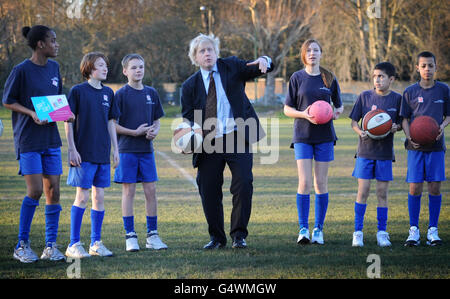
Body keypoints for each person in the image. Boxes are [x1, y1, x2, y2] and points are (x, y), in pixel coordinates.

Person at [181, 33, 273, 249]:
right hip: (207, 140)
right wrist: (189, 137)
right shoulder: (189, 86)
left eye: (210, 49)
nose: (207, 54)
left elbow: (258, 67)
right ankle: (217, 238)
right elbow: (187, 116)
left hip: (237, 135)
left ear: (216, 52)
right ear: (195, 57)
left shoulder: (231, 66)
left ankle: (239, 235)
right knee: (208, 188)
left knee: (244, 183)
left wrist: (265, 60)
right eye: (202, 51)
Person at [2, 25, 74, 263]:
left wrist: (66, 113)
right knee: (34, 191)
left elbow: (57, 102)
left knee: (53, 190)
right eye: (53, 40)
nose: (57, 44)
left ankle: (51, 246)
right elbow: (7, 101)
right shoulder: (21, 70)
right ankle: (21, 245)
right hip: (28, 139)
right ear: (40, 44)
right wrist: (31, 113)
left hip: (50, 139)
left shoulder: (54, 67)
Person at [283, 39, 344, 245]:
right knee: (305, 182)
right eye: (308, 50)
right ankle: (303, 229)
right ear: (303, 54)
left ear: (321, 54)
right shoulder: (297, 78)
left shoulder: (329, 78)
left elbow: (340, 106)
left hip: (325, 136)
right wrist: (304, 114)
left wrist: (334, 113)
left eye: (316, 50)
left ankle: (318, 229)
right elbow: (287, 109)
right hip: (302, 135)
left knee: (320, 183)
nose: (312, 53)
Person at [64, 52, 120, 258]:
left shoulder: (109, 93)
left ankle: (95, 243)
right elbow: (67, 120)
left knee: (99, 196)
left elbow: (111, 122)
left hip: (102, 153)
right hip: (83, 153)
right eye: (100, 65)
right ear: (89, 68)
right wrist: (72, 148)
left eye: (106, 65)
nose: (105, 68)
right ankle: (73, 244)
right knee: (83, 196)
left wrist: (116, 149)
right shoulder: (78, 91)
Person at [114, 54, 167, 251]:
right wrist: (134, 132)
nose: (138, 70)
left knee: (151, 191)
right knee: (129, 191)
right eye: (134, 67)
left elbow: (157, 119)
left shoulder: (151, 93)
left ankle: (152, 235)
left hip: (146, 150)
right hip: (127, 149)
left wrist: (154, 130)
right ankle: (130, 236)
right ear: (125, 71)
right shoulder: (120, 95)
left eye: (141, 67)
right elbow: (113, 125)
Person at [349, 62, 402, 247]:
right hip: (365, 151)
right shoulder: (364, 97)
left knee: (382, 194)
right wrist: (360, 132)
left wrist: (397, 127)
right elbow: (354, 122)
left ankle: (382, 232)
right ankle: (358, 232)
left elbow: (403, 123)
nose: (377, 80)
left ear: (391, 79)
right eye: (375, 76)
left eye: (381, 76)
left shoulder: (397, 99)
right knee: (362, 192)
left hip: (385, 153)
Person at [400, 51, 450, 247]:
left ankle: (433, 230)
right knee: (415, 187)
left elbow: (448, 116)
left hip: (436, 146)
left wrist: (441, 128)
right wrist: (409, 136)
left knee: (435, 187)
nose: (427, 69)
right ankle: (413, 230)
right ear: (417, 68)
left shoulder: (444, 90)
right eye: (423, 66)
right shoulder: (410, 92)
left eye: (430, 65)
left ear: (436, 67)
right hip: (415, 147)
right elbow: (404, 119)